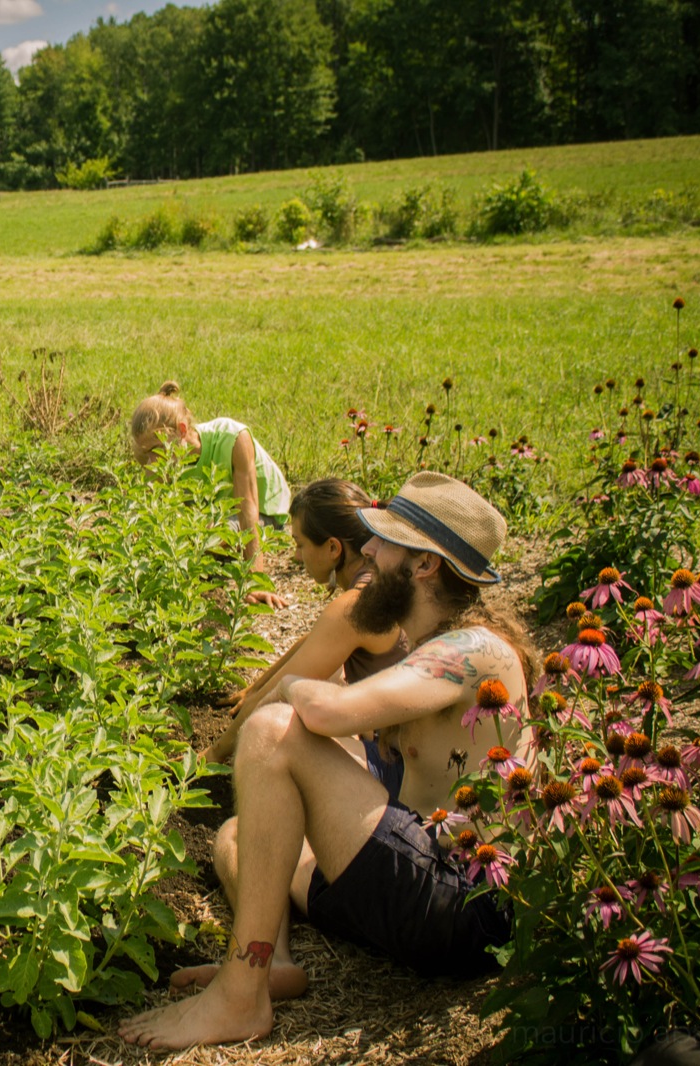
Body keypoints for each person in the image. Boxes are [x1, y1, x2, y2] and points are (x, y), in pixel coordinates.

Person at [121, 472, 538, 1050]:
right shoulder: (434, 642)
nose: (367, 549)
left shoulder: (475, 650)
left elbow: (330, 712)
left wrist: (292, 687)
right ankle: (274, 964)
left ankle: (239, 998)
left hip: (462, 907)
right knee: (244, 836)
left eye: (385, 540)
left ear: (425, 566)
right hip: (415, 880)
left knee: (272, 732)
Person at [202, 478, 409, 801]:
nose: (297, 557)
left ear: (332, 548)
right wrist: (253, 687)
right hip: (404, 752)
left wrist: (213, 755)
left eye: (300, 544)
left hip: (399, 772)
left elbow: (280, 692)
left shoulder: (355, 606)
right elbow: (312, 642)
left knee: (280, 728)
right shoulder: (375, 579)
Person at [130, 381, 291, 608]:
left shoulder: (232, 437)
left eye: (154, 451)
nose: (151, 462)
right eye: (145, 454)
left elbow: (248, 509)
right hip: (213, 514)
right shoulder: (165, 462)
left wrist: (255, 582)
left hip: (264, 510)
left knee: (205, 540)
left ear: (182, 431)